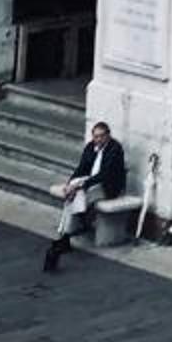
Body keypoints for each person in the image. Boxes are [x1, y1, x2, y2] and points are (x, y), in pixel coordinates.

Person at [43, 115, 125, 272]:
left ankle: (67, 234)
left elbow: (105, 174)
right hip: (90, 180)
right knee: (72, 195)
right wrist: (71, 183)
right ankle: (72, 229)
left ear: (108, 135)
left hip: (108, 186)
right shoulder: (90, 147)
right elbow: (81, 167)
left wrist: (80, 186)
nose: (98, 140)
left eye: (101, 136)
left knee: (77, 195)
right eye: (95, 136)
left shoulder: (115, 149)